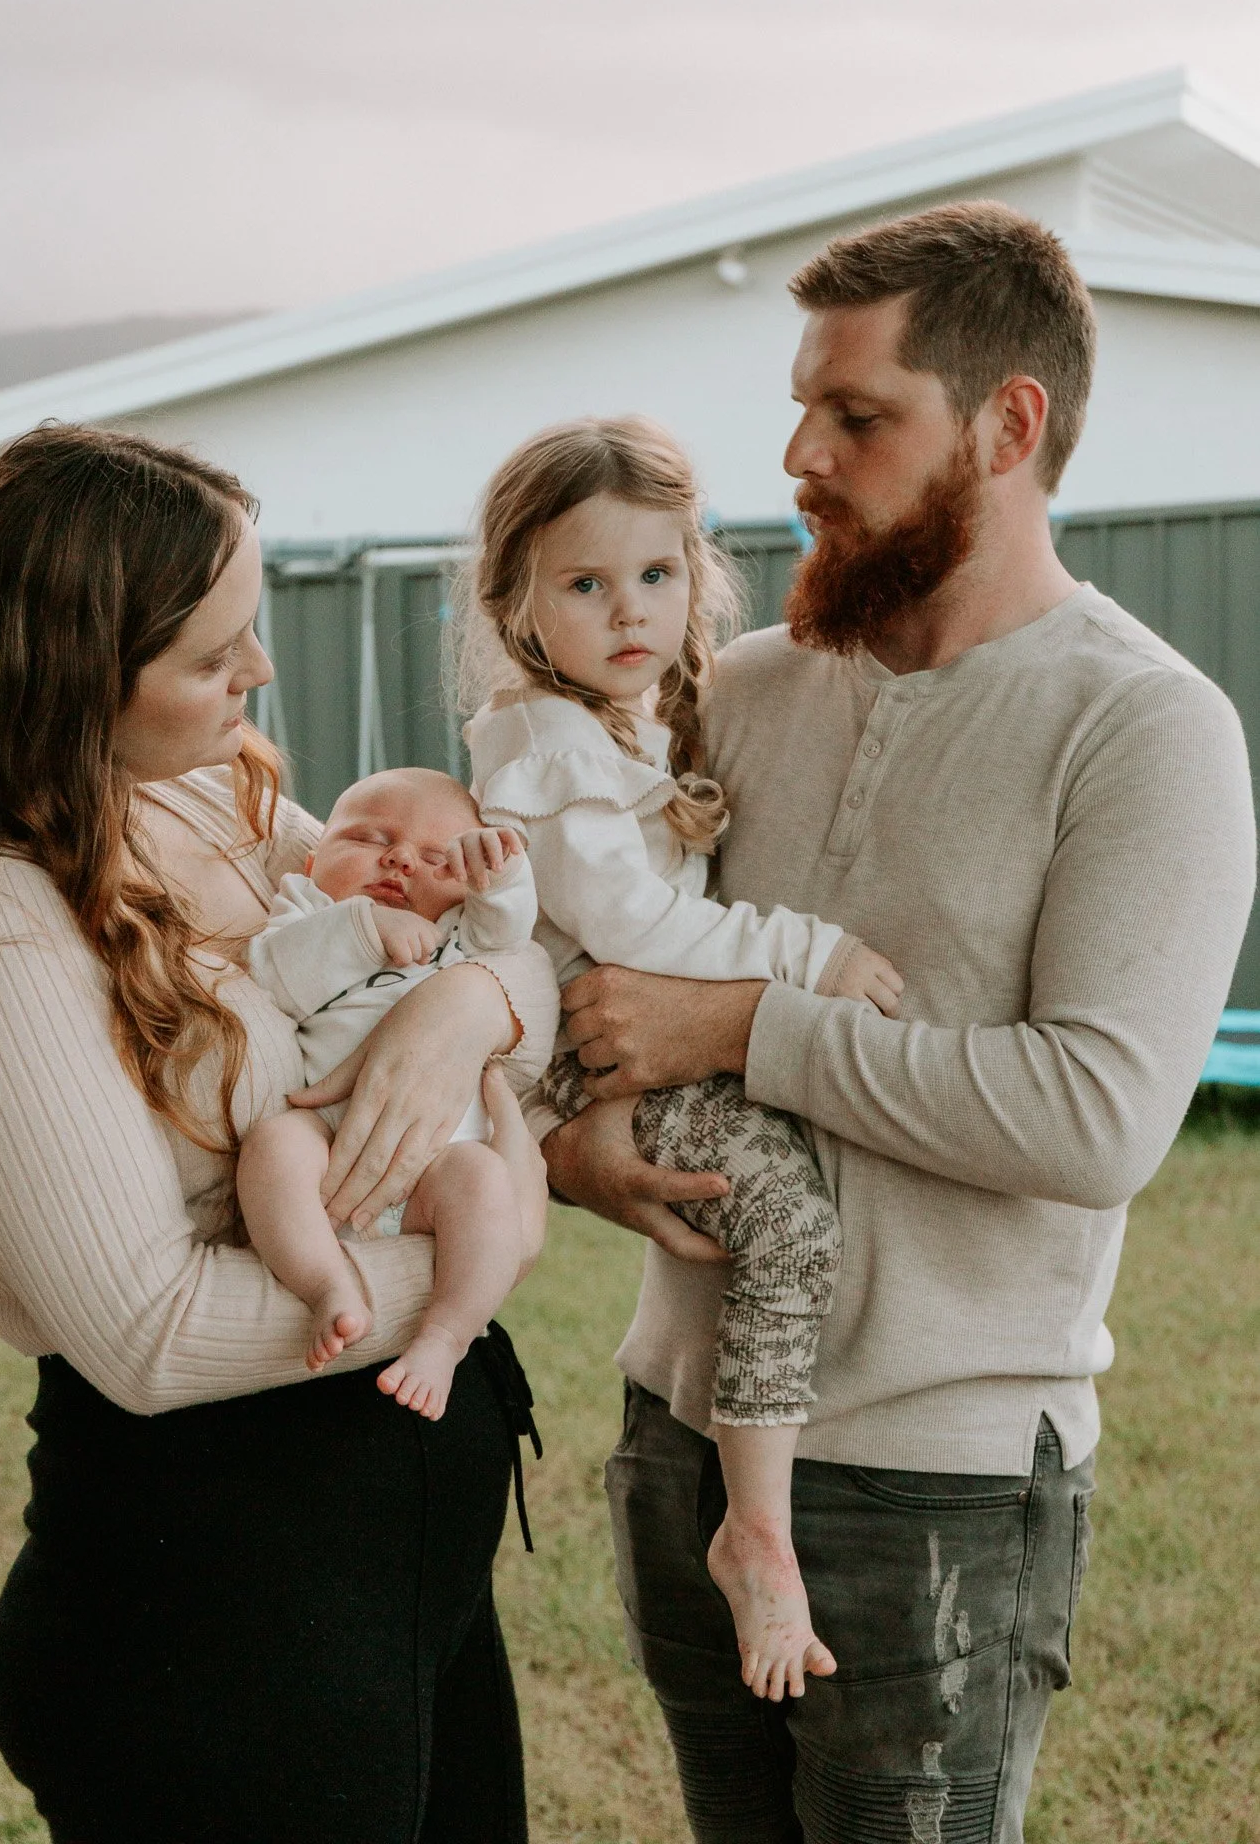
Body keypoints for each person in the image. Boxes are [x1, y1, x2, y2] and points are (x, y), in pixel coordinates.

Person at [542, 203, 1256, 1842]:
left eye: (857, 415)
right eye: (803, 403)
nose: (798, 452)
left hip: (943, 1488)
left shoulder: (1148, 728)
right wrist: (577, 1146)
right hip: (684, 1444)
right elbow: (586, 977)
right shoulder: (738, 690)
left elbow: (1095, 1117)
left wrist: (742, 1025)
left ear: (1008, 424)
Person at [0, 424, 557, 1844]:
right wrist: (481, 1258)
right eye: (212, 655)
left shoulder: (216, 788)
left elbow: (449, 959)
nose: (258, 674)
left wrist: (481, 1003)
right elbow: (148, 1332)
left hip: (397, 1595)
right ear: (73, 671)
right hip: (216, 1622)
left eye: (250, 631)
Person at [459, 415, 904, 1699]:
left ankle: (754, 1508)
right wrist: (807, 951)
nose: (627, 610)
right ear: (518, 605)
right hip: (579, 1063)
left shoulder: (626, 719)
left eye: (654, 575)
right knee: (790, 1216)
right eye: (584, 584)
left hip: (625, 1043)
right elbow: (639, 926)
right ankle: (755, 1527)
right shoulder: (548, 750)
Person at [241, 767, 549, 1414]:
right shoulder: (306, 909)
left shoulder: (466, 930)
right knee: (275, 1144)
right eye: (365, 838)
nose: (400, 858)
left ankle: (445, 1336)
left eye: (438, 857)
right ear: (310, 859)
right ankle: (327, 1284)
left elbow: (510, 929)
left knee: (487, 1186)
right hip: (329, 1138)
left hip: (439, 1160)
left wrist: (502, 877)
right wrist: (360, 929)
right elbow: (272, 978)